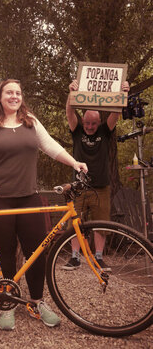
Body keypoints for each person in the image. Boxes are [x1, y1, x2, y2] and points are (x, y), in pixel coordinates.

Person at [0, 79, 87, 331]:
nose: (14, 96)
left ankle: (36, 302)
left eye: (18, 93)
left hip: (28, 197)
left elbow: (50, 146)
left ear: (21, 97)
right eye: (9, 92)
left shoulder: (31, 123)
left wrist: (74, 163)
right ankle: (7, 304)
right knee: (4, 254)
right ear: (0, 97)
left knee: (37, 252)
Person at [63, 79, 130, 272]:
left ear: (99, 122)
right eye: (87, 123)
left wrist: (123, 93)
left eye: (93, 123)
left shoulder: (104, 131)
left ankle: (98, 257)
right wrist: (71, 94)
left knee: (101, 224)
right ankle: (75, 257)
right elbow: (69, 112)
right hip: (79, 186)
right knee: (75, 222)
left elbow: (116, 114)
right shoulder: (76, 131)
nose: (90, 126)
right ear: (82, 121)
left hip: (101, 186)